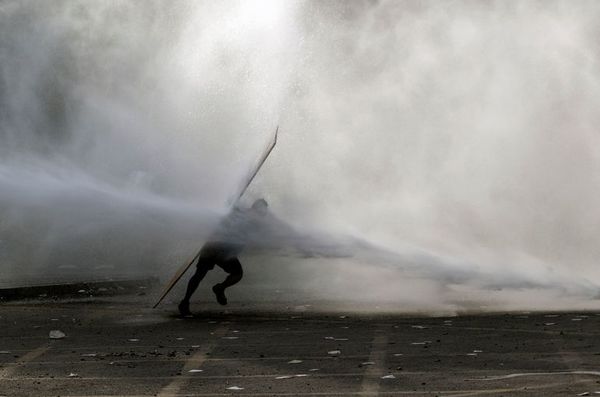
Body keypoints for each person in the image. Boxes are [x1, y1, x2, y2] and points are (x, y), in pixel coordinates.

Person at [178, 198, 269, 316]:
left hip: (215, 247)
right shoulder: (246, 216)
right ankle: (217, 289)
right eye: (262, 210)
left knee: (200, 274)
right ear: (255, 208)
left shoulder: (246, 216)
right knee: (234, 274)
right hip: (220, 249)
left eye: (264, 211)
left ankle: (187, 301)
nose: (263, 213)